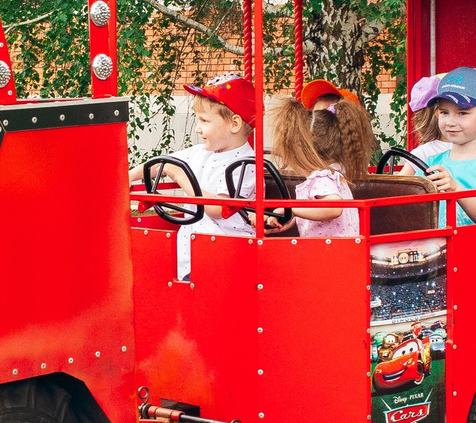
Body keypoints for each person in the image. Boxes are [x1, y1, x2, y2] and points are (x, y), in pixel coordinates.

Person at [142, 74, 261, 279]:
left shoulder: (247, 164)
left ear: (234, 124)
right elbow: (159, 163)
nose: (197, 128)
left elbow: (218, 209)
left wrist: (181, 177)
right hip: (191, 257)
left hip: (225, 260)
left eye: (204, 120)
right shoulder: (200, 152)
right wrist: (123, 179)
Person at [405, 67, 476, 225]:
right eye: (444, 112)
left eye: (462, 113)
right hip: (437, 247)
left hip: (474, 247)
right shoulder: (431, 161)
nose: (450, 122)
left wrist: (455, 189)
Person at [265, 92, 358, 238]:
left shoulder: (322, 178)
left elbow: (333, 208)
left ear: (303, 151)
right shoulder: (332, 173)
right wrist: (290, 217)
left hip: (331, 253)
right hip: (333, 249)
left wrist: (292, 208)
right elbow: (315, 209)